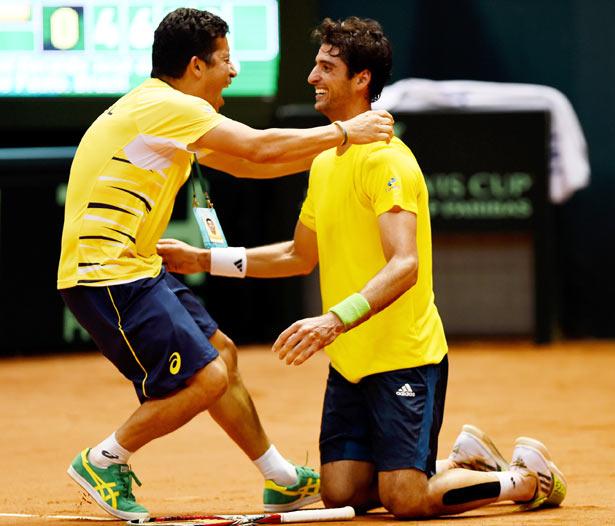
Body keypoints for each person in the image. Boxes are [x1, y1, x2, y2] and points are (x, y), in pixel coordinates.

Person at [158, 16, 567, 519]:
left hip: (404, 357)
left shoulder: (387, 161)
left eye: (327, 67)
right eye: (315, 64)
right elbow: (298, 255)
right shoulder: (328, 159)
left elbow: (406, 264)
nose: (313, 77)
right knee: (342, 493)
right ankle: (463, 463)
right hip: (352, 362)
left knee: (404, 499)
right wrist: (204, 260)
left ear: (361, 79)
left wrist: (334, 319)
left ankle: (525, 481)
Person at [57, 8, 394, 521]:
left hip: (137, 267)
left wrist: (337, 146)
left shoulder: (165, 112)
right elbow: (259, 147)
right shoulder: (169, 106)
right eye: (226, 60)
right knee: (208, 377)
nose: (233, 71)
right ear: (196, 66)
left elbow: (248, 163)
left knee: (222, 354)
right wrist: (347, 133)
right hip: (107, 273)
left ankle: (280, 479)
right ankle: (105, 459)